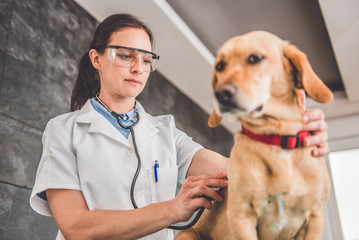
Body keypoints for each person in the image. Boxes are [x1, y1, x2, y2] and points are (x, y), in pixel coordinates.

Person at [30, 14, 330, 240]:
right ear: (96, 58)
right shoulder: (64, 130)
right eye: (126, 55)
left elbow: (237, 173)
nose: (138, 68)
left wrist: (293, 139)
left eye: (147, 60)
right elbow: (76, 227)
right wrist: (173, 210)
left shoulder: (165, 132)